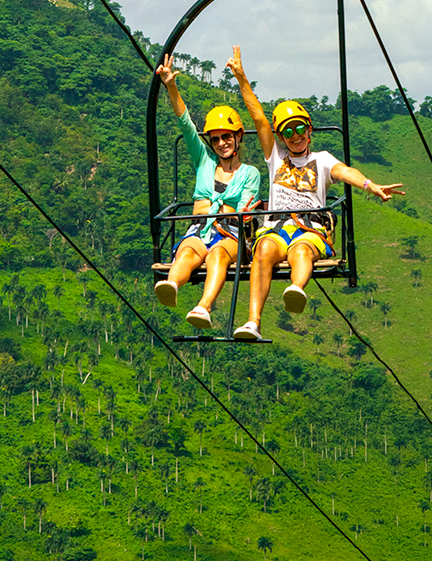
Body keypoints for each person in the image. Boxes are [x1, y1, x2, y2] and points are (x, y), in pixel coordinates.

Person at [226, 45, 404, 342]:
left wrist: (370, 185)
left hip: (310, 226)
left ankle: (296, 288)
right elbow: (257, 117)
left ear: (309, 130)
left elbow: (346, 172)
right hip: (277, 225)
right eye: (287, 132)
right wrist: (242, 79)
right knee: (264, 252)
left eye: (299, 129)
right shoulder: (276, 157)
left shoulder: (321, 159)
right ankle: (253, 322)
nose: (295, 137)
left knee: (302, 251)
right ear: (281, 137)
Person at [153, 53, 262, 329]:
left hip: (230, 234)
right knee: (188, 250)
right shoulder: (204, 161)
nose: (221, 143)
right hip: (199, 230)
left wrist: (239, 214)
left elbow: (242, 212)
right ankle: (172, 285)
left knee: (217, 255)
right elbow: (186, 124)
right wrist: (171, 86)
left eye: (227, 136)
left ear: (238, 137)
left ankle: (204, 306)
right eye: (215, 139)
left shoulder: (250, 173)